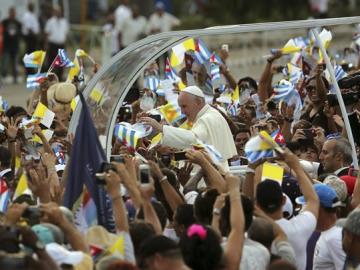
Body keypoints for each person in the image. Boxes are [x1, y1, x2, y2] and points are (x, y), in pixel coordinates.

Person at [141, 86, 237, 170]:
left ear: (198, 102)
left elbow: (193, 138)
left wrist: (161, 128)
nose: (182, 112)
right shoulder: (210, 114)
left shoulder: (207, 118)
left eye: (184, 106)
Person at [255, 149, 319, 270]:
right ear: (283, 201)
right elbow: (313, 200)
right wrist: (296, 167)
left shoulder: (251, 231)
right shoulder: (299, 227)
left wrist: (254, 167)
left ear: (257, 205)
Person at [296, 184, 346, 269]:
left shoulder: (335, 238)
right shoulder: (329, 234)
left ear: (319, 208)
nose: (304, 211)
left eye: (307, 206)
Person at [44, 5, 69, 79]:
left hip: (61, 45)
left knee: (61, 63)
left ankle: (60, 78)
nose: (58, 13)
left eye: (59, 12)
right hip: (53, 45)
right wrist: (46, 45)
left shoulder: (64, 22)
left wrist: (66, 45)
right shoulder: (50, 21)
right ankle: (50, 78)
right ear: (54, 12)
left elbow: (65, 34)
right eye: (57, 12)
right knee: (51, 62)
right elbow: (47, 34)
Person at [1, 7, 22, 84]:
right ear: (9, 13)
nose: (12, 14)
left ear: (15, 13)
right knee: (5, 63)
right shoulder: (4, 22)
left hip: (15, 46)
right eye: (11, 12)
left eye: (13, 12)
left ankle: (15, 78)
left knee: (15, 64)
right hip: (7, 46)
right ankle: (3, 76)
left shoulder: (18, 23)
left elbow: (20, 34)